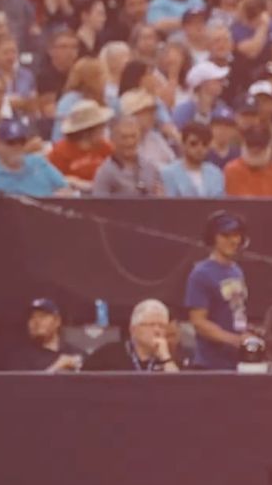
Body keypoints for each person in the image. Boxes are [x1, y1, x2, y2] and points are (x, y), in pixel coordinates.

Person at [186, 210, 252, 371]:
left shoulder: (237, 271)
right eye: (226, 235)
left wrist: (247, 334)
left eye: (236, 235)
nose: (233, 240)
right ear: (213, 238)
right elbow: (198, 322)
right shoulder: (201, 273)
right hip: (211, 364)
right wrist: (234, 340)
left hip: (237, 361)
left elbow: (235, 312)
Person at [0, 119, 71, 196]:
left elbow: (65, 189)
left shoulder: (38, 163)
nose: (17, 147)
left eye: (21, 142)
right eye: (11, 143)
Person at [82, 300, 181, 372]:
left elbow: (178, 390)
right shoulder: (106, 355)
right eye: (151, 325)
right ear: (133, 329)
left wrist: (165, 358)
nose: (157, 330)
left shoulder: (172, 357)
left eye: (162, 326)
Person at [2, 298, 84, 372]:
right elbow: (22, 387)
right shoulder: (19, 357)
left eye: (43, 316)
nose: (36, 322)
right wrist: (56, 367)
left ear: (57, 321)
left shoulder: (76, 353)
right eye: (32, 317)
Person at [92, 116, 164, 197]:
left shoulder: (150, 167)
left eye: (133, 136)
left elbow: (160, 201)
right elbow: (99, 207)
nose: (130, 142)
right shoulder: (105, 173)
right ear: (112, 139)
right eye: (124, 137)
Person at [224, 125, 272, 197]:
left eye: (260, 145)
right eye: (251, 144)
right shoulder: (232, 170)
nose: (255, 150)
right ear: (244, 145)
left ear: (269, 148)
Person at [162, 122, 226, 197]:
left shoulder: (216, 173)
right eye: (193, 143)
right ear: (183, 144)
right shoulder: (168, 173)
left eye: (205, 144)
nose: (200, 148)